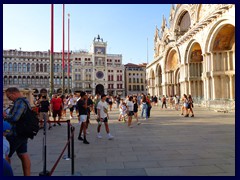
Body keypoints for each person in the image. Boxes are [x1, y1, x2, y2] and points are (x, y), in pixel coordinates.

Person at [3, 87, 31, 176]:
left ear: (13, 94)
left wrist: (5, 115)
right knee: (23, 154)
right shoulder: (25, 101)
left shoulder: (19, 102)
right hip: (23, 132)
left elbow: (15, 118)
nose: (8, 99)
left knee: (6, 155)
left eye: (9, 96)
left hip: (16, 133)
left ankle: (6, 175)